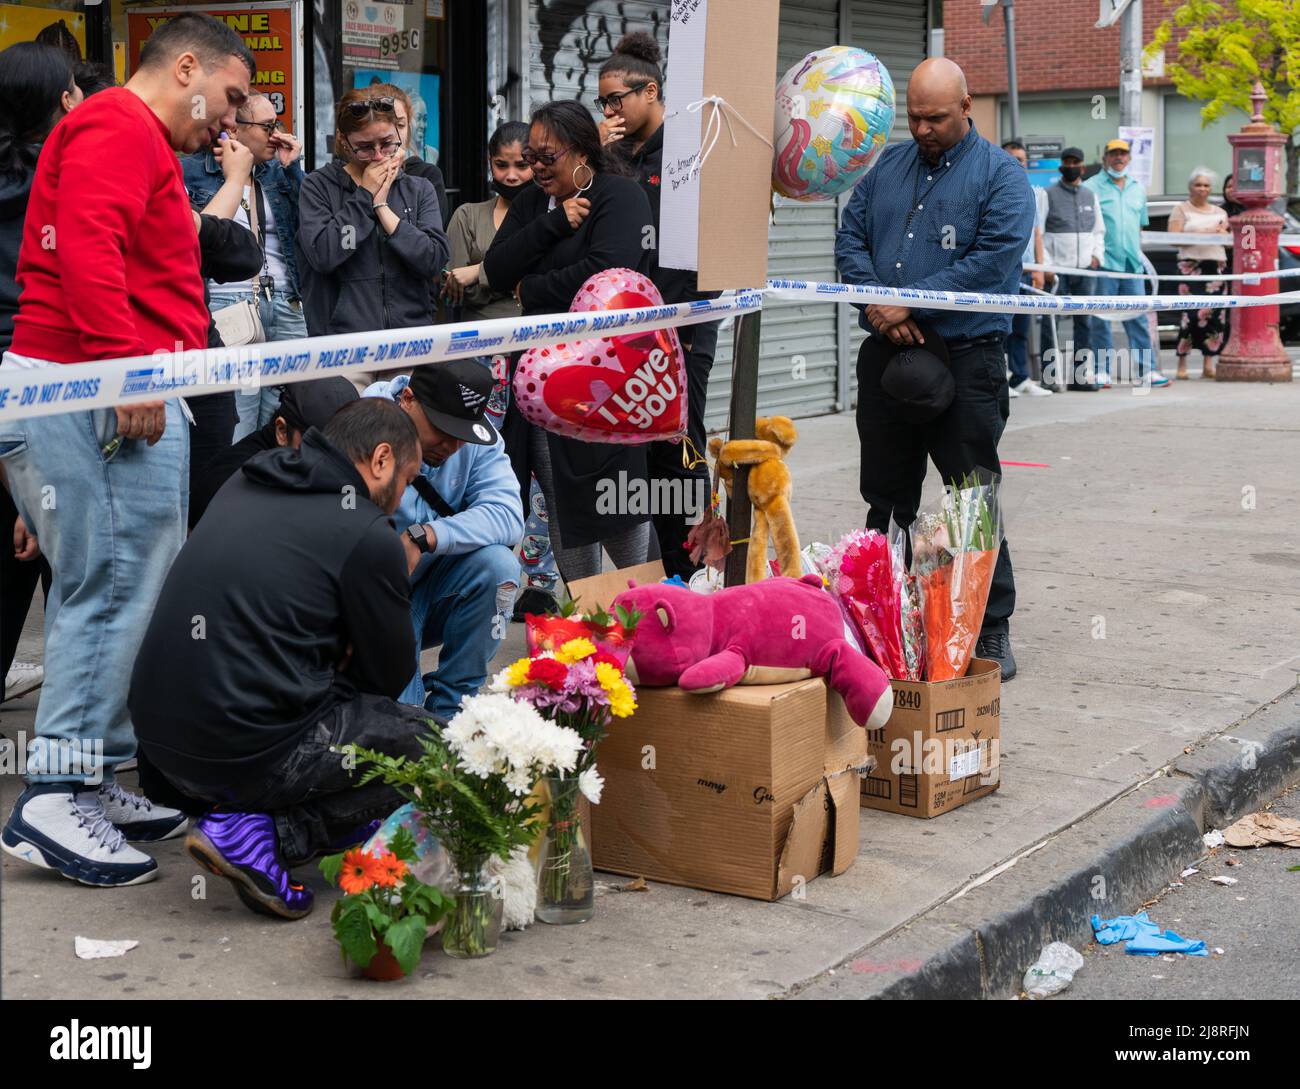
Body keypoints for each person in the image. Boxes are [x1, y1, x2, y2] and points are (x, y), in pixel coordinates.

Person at [0, 13, 255, 886]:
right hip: (93, 387)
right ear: (185, 66)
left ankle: (94, 772)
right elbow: (89, 250)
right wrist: (125, 373)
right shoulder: (117, 125)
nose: (227, 121)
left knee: (127, 582)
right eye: (225, 97)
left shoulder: (123, 132)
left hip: (96, 384)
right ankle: (55, 794)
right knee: (108, 586)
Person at [128, 400, 430, 918]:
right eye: (407, 480)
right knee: (436, 748)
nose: (402, 502)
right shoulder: (365, 531)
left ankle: (263, 813)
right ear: (381, 460)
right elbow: (387, 677)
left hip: (157, 748)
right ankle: (264, 832)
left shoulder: (247, 481)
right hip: (238, 751)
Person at [834, 57, 1031, 681]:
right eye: (914, 117)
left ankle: (991, 629)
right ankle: (882, 617)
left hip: (968, 358)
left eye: (936, 118)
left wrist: (910, 301)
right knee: (886, 494)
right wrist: (880, 307)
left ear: (966, 106)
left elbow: (991, 262)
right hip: (889, 354)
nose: (922, 129)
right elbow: (851, 239)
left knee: (973, 495)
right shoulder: (887, 167)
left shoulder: (1002, 178)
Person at [484, 100, 655, 584]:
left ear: (582, 153)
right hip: (543, 380)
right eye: (530, 157)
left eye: (546, 157)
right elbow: (496, 269)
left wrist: (533, 288)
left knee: (617, 497)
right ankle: (592, 618)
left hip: (609, 378)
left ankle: (648, 616)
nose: (534, 168)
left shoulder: (620, 196)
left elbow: (605, 276)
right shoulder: (535, 205)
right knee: (560, 495)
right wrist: (554, 224)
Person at [598, 32, 721, 578]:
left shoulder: (691, 149)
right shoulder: (614, 155)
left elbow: (712, 242)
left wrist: (689, 324)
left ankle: (691, 574)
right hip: (625, 332)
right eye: (601, 102)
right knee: (632, 461)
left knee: (678, 453)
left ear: (649, 92)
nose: (608, 111)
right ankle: (652, 581)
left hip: (682, 332)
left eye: (615, 100)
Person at [444, 120, 561, 617]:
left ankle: (541, 580)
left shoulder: (548, 214)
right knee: (487, 462)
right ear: (488, 164)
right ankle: (487, 573)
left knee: (543, 470)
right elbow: (454, 286)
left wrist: (489, 274)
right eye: (502, 164)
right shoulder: (468, 216)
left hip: (540, 355)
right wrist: (501, 279)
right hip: (483, 359)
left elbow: (548, 279)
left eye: (523, 164)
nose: (512, 175)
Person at [364, 361, 524, 717]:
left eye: (463, 432)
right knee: (398, 717)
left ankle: (452, 713)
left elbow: (509, 515)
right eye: (441, 429)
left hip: (434, 586)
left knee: (499, 566)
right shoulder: (363, 426)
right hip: (375, 593)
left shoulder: (477, 442)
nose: (452, 445)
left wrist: (426, 536)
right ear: (408, 399)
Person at [0, 42, 81, 705]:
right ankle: (69, 759)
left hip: (19, 387)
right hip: (51, 383)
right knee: (71, 575)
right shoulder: (66, 181)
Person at [184, 91, 309, 439]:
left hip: (285, 300)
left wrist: (293, 168)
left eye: (278, 125)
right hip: (231, 302)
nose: (276, 134)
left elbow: (311, 223)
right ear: (235, 130)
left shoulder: (275, 173)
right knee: (242, 409)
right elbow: (194, 237)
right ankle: (236, 487)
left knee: (290, 405)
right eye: (268, 126)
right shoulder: (193, 172)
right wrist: (233, 177)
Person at [297, 89, 449, 338]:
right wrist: (365, 196)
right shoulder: (318, 186)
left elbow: (433, 259)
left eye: (387, 143)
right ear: (344, 141)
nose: (378, 156)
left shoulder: (419, 188)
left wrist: (383, 209)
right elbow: (325, 253)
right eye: (365, 147)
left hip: (410, 337)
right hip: (343, 343)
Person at [190, 376, 359, 524]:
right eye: (321, 448)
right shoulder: (236, 478)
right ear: (282, 432)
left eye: (345, 451)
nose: (334, 463)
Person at [1084, 138, 1169, 387]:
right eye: (1114, 154)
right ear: (1105, 158)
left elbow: (1139, 228)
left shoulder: (1137, 188)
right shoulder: (1091, 187)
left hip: (1132, 266)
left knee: (1139, 321)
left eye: (1123, 154)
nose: (1119, 158)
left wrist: (1140, 258)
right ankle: (1102, 371)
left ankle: (1148, 371)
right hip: (1104, 265)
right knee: (1102, 320)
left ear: (1129, 158)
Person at [1040, 145, 1106, 391]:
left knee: (1084, 324)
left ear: (1082, 165)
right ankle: (1049, 378)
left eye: (1075, 162)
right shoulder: (1047, 194)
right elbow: (1040, 233)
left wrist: (1096, 256)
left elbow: (1098, 231)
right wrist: (1046, 265)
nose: (1071, 166)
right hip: (1057, 270)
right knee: (1050, 324)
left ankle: (1080, 377)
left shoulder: (1091, 195)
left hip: (1085, 270)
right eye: (1066, 162)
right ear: (1061, 166)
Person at [1000, 140, 1052, 397]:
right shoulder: (995, 189)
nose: (1019, 163)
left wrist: (1039, 268)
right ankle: (1000, 376)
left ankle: (1020, 377)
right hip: (1002, 272)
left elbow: (1037, 233)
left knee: (1021, 328)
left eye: (1022, 159)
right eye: (1013, 158)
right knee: (999, 326)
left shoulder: (1033, 192)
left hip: (1027, 271)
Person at [1169, 166, 1230, 380]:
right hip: (1191, 266)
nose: (1202, 189)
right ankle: (1182, 362)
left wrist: (1223, 235)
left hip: (1215, 266)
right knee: (1190, 315)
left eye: (1206, 185)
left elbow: (1234, 242)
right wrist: (1202, 233)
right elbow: (1173, 239)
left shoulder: (1220, 212)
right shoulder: (1181, 209)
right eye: (1198, 184)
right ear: (1190, 187)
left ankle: (1208, 363)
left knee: (1214, 317)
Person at [371, 81, 449, 229]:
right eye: (383, 124)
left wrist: (381, 206)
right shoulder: (350, 175)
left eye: (400, 125)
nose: (391, 134)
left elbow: (432, 245)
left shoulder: (427, 175)